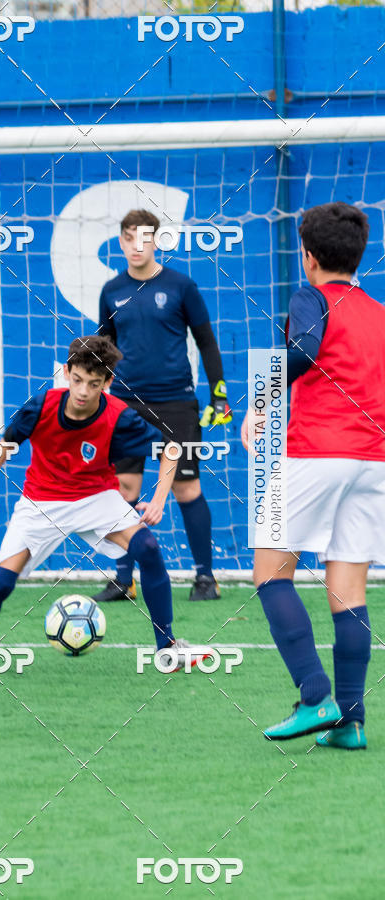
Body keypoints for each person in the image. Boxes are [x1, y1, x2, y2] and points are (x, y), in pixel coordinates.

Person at [0, 335, 199, 666]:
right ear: (65, 372)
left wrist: (159, 499)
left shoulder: (119, 416)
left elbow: (171, 449)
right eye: (77, 380)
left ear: (108, 383)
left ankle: (167, 647)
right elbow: (5, 445)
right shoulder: (40, 405)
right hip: (41, 502)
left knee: (147, 548)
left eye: (94, 383)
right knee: (2, 582)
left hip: (97, 497)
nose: (84, 391)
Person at [242, 201, 385, 748]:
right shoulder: (376, 310)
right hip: (372, 461)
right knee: (349, 590)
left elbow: (302, 349)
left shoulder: (310, 297)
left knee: (270, 572)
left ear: (308, 257)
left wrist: (261, 400)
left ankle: (314, 696)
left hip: (318, 452)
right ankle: (351, 722)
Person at [94, 208, 232, 604]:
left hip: (176, 402)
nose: (138, 245)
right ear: (121, 242)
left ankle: (205, 577)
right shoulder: (111, 291)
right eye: (130, 238)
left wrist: (219, 394)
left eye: (146, 237)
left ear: (156, 241)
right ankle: (123, 578)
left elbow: (206, 342)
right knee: (124, 488)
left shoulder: (181, 286)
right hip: (124, 404)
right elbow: (103, 351)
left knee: (186, 487)